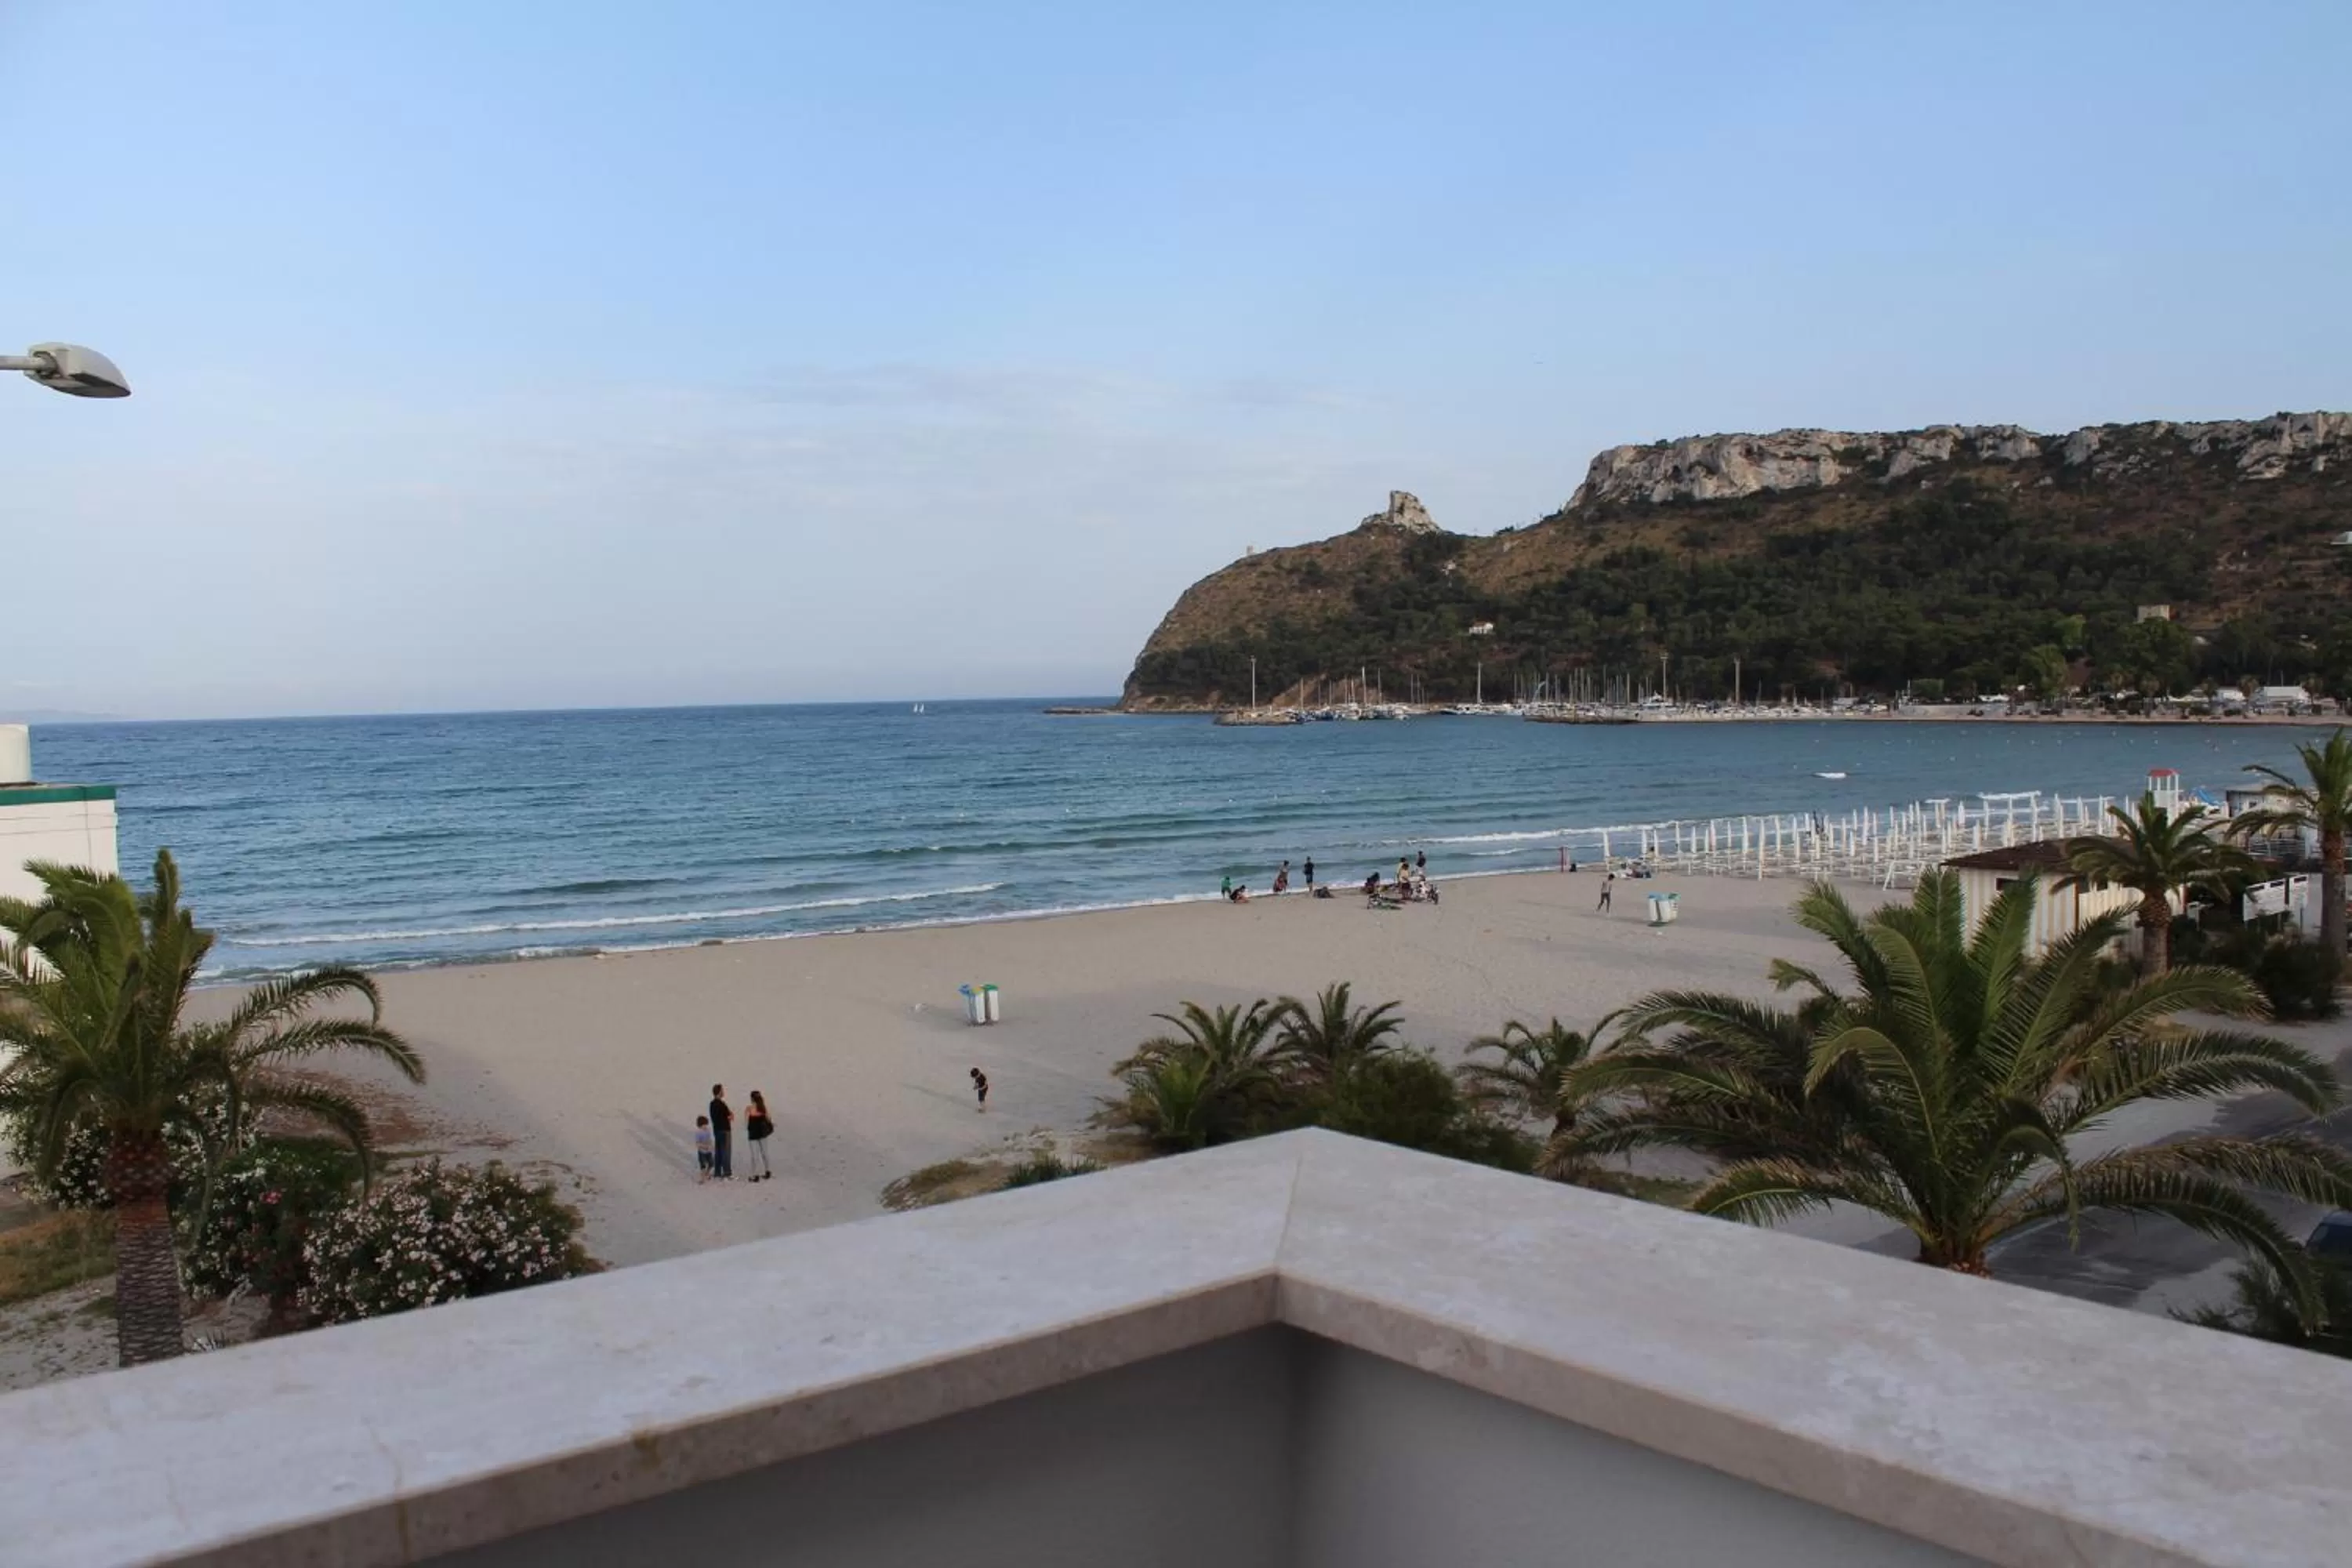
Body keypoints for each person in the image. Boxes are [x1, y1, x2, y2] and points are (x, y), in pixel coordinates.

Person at [744, 1090, 775, 1182]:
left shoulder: (749, 1109)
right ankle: (768, 1171)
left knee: (754, 1155)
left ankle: (755, 1175)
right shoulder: (763, 1108)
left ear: (752, 1099)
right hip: (762, 1133)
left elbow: (746, 1123)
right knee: (765, 1152)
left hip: (753, 1133)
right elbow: (769, 1119)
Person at [708, 1084, 735, 1179]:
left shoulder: (712, 1104)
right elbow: (730, 1116)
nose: (724, 1092)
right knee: (726, 1152)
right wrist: (730, 1116)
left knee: (718, 1151)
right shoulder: (722, 1104)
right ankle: (727, 1172)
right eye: (722, 1090)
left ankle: (717, 1172)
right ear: (719, 1092)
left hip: (717, 1130)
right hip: (725, 1130)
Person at [693, 1116, 713, 1183]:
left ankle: (707, 1174)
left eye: (706, 1124)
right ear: (700, 1125)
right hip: (702, 1152)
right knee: (703, 1165)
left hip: (708, 1151)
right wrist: (704, 1146)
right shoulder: (698, 1133)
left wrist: (711, 1146)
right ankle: (702, 1179)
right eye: (704, 1125)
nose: (705, 1126)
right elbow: (697, 1144)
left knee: (711, 1163)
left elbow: (709, 1139)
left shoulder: (708, 1131)